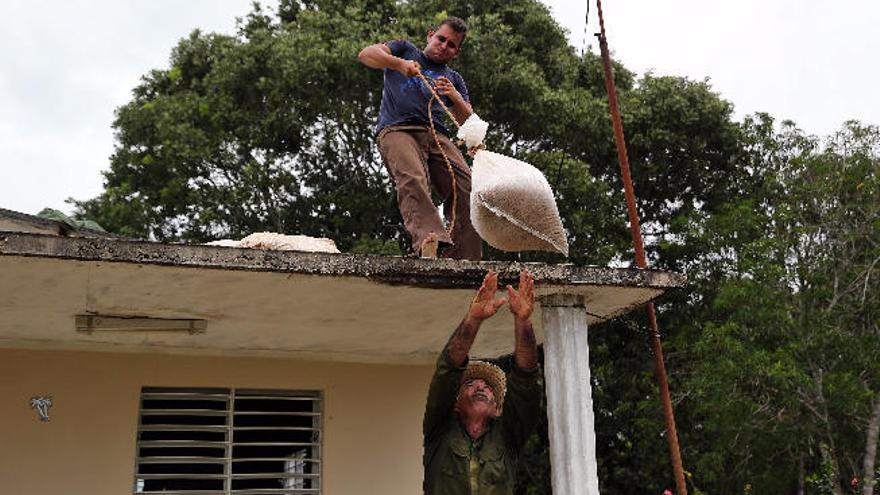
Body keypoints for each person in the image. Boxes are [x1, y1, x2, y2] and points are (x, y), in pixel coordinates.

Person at [358, 16, 482, 261]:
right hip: (398, 129)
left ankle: (464, 257)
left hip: (437, 134)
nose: (444, 46)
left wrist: (455, 97)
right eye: (441, 39)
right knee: (413, 177)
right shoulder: (404, 50)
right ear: (430, 36)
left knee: (467, 186)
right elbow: (366, 54)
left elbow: (468, 122)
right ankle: (429, 242)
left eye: (451, 45)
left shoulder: (454, 79)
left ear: (457, 52)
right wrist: (398, 64)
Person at [423, 270, 542, 494]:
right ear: (455, 404)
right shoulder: (439, 429)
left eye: (489, 388)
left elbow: (526, 380)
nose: (481, 387)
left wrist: (523, 320)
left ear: (498, 409)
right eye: (470, 384)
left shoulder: (507, 437)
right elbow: (447, 370)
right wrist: (474, 319)